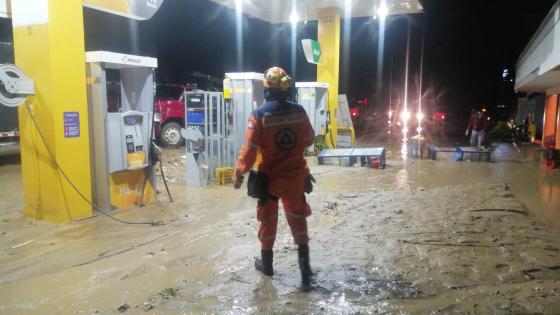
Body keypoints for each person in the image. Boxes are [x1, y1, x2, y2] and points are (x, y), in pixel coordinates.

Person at [233, 66, 316, 287]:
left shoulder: (259, 115)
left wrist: (239, 173)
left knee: (268, 220)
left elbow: (249, 150)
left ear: (267, 88)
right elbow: (309, 140)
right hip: (296, 177)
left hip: (270, 180)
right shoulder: (299, 111)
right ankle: (305, 268)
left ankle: (267, 265)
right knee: (298, 220)